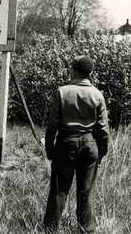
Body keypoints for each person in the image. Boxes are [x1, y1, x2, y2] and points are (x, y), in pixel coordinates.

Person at [43, 56, 109, 233]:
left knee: (59, 190)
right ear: (90, 73)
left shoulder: (63, 92)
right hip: (90, 144)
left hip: (66, 143)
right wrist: (102, 151)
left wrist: (50, 148)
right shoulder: (97, 94)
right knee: (85, 191)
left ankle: (50, 229)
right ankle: (86, 229)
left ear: (74, 70)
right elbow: (103, 129)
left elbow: (52, 125)